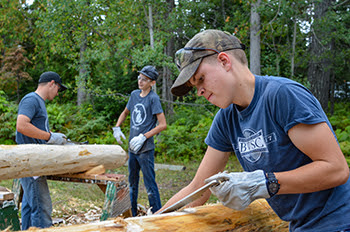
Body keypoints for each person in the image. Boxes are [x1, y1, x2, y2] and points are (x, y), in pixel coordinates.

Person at [158, 29, 350, 231]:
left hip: (339, 221)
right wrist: (149, 222)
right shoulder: (226, 119)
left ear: (224, 61)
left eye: (201, 79)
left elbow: (336, 169)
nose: (199, 91)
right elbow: (198, 188)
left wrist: (265, 183)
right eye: (194, 86)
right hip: (301, 226)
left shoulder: (282, 95)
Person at [16, 71, 68, 230]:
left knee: (29, 206)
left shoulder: (38, 102)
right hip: (31, 162)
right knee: (41, 208)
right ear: (52, 83)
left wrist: (50, 140)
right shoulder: (32, 99)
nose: (57, 93)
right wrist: (49, 137)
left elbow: (33, 131)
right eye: (58, 89)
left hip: (33, 160)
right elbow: (22, 125)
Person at [112, 65, 167, 216]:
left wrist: (144, 137)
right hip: (132, 149)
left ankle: (157, 214)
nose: (140, 81)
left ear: (152, 83)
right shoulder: (134, 95)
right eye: (139, 78)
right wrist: (117, 127)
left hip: (145, 150)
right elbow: (125, 112)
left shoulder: (153, 99)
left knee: (150, 185)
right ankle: (132, 214)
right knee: (132, 184)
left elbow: (163, 124)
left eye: (145, 79)